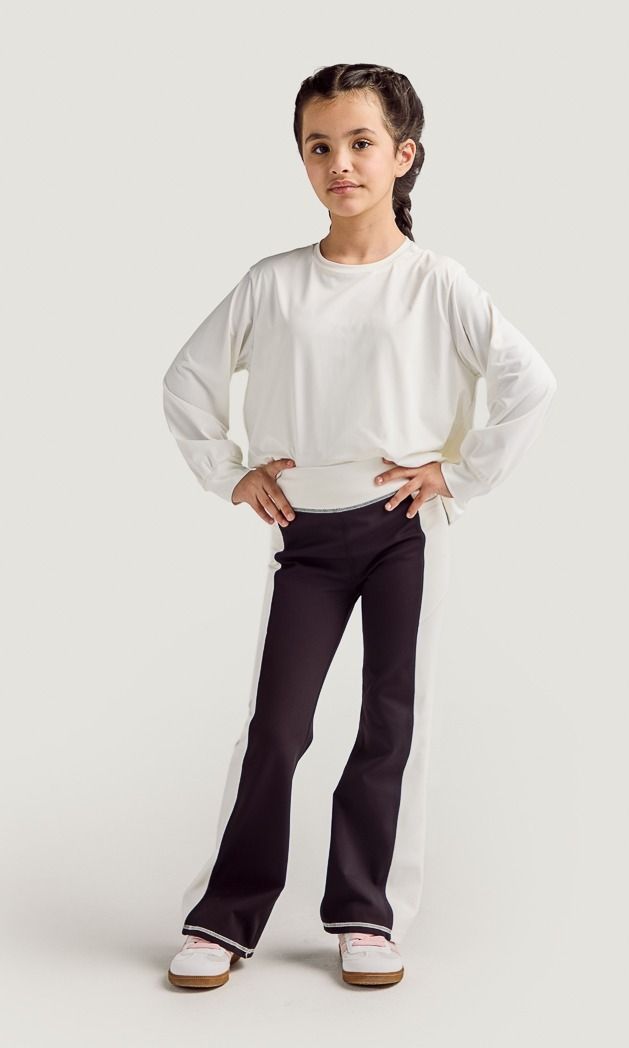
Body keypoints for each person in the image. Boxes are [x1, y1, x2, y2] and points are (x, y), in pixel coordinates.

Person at [163, 62, 558, 990]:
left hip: (401, 533)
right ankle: (225, 917)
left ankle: (365, 914)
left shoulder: (437, 283)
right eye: (319, 146)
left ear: (403, 156)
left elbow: (530, 384)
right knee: (277, 728)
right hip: (306, 538)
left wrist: (457, 473)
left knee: (389, 722)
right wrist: (231, 472)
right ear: (304, 160)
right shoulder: (273, 284)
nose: (339, 162)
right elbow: (187, 380)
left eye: (361, 143)